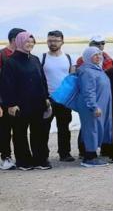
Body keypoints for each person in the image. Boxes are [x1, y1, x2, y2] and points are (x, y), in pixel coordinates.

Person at [0, 32, 52, 170]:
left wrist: (46, 97)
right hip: (19, 105)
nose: (29, 44)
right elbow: (7, 84)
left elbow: (42, 80)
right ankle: (24, 161)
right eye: (26, 42)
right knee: (20, 133)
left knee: (38, 132)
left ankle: (40, 160)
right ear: (18, 42)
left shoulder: (35, 59)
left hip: (38, 102)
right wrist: (10, 104)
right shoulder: (11, 62)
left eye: (32, 42)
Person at [41, 30, 77, 162]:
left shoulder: (69, 58)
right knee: (44, 128)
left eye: (56, 40)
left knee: (64, 128)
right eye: (50, 40)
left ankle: (64, 153)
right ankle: (43, 155)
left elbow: (72, 79)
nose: (53, 43)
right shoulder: (42, 57)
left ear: (62, 41)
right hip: (48, 99)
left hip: (64, 99)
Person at [0, 28, 26, 170]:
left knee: (20, 130)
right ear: (15, 39)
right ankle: (5, 157)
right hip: (4, 101)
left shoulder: (24, 55)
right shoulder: (2, 55)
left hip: (20, 101)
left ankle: (21, 158)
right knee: (4, 130)